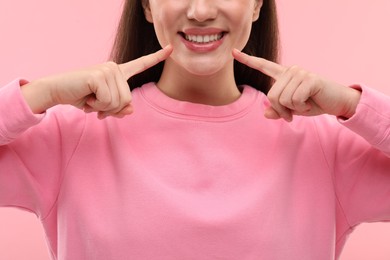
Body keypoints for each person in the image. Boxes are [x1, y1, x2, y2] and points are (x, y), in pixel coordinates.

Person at [1, 0, 389, 259]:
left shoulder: (323, 145)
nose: (201, 11)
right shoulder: (70, 137)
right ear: (148, 6)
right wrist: (42, 92)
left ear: (256, 5)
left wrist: (354, 105)